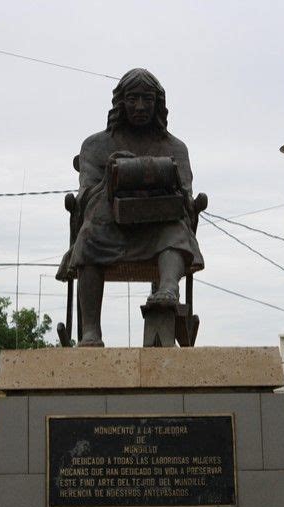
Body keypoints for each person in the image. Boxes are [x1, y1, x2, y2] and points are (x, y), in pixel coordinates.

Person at [56, 68, 204, 346]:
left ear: (157, 103)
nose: (139, 106)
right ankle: (90, 331)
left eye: (147, 99)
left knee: (176, 227)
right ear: (120, 102)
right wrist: (116, 173)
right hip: (110, 228)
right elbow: (86, 195)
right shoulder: (96, 145)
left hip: (160, 227)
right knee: (87, 236)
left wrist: (161, 182)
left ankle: (169, 288)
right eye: (133, 98)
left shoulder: (175, 148)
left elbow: (186, 198)